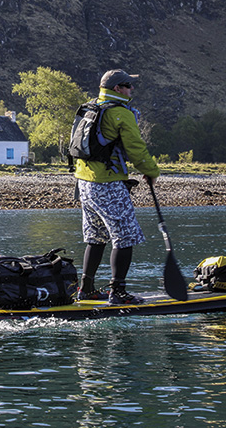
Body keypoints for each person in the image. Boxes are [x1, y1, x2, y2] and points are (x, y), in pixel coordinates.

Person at [73, 69, 160, 304]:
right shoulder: (121, 113)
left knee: (96, 236)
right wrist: (151, 172)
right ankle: (118, 292)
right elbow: (136, 149)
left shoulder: (90, 107)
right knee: (125, 236)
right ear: (117, 89)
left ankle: (86, 289)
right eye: (129, 86)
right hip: (107, 184)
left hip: (84, 184)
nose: (132, 89)